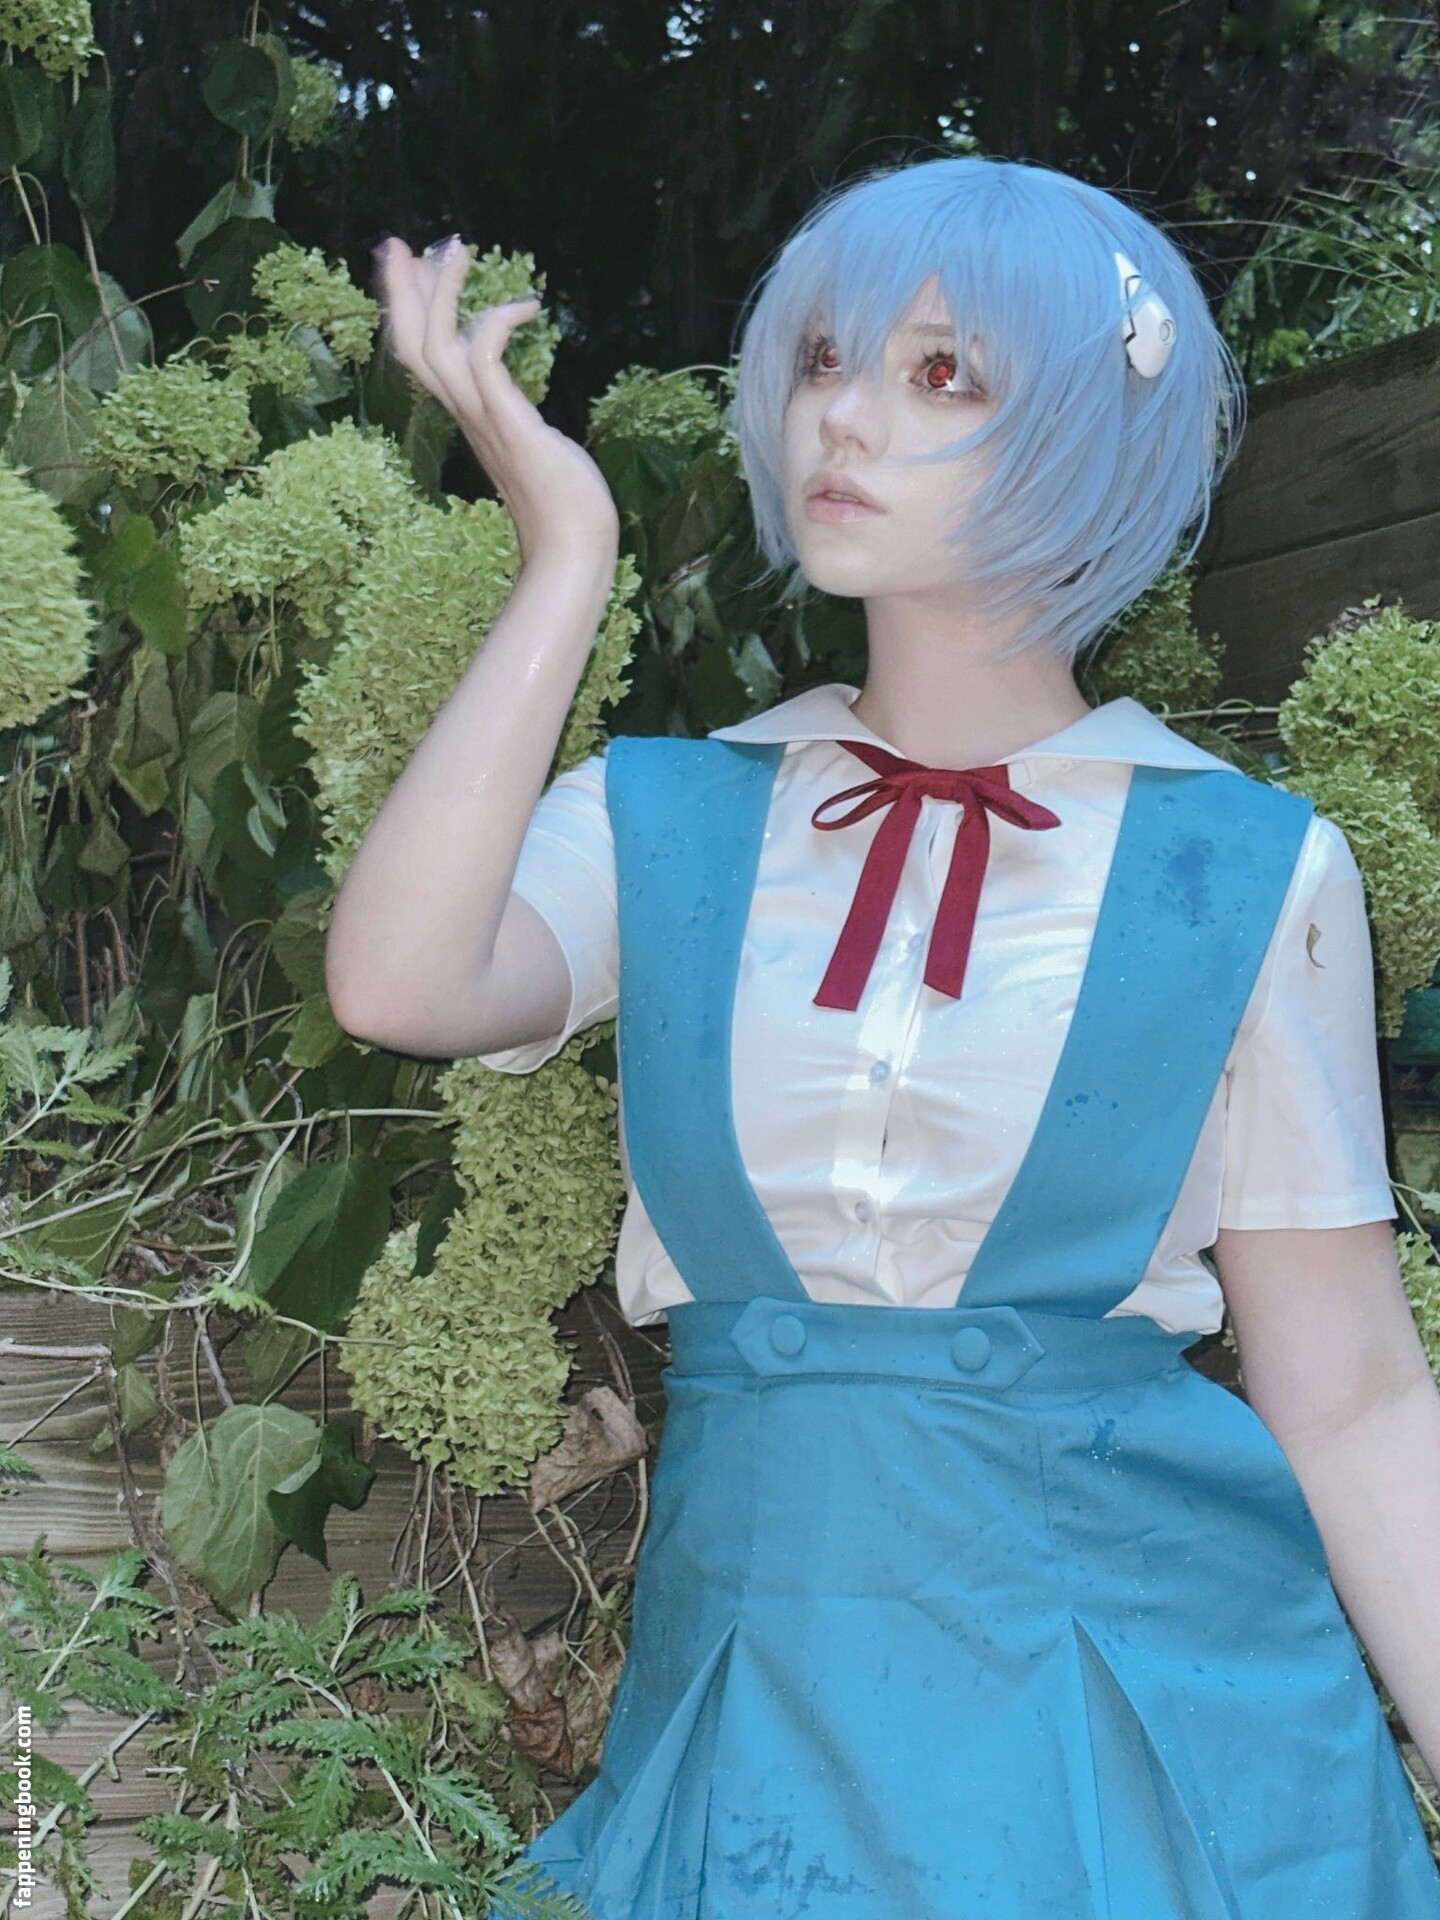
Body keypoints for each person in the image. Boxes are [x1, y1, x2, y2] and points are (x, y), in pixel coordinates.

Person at [326, 155, 1440, 1917]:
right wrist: (568, 557)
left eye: (943, 375)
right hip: (755, 1713)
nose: (842, 414)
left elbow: (1356, 1394)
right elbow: (400, 983)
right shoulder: (669, 820)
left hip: (1141, 1727)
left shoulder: (1245, 868)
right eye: (826, 357)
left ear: (1092, 437)